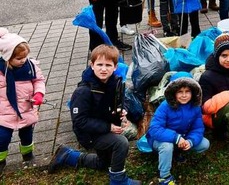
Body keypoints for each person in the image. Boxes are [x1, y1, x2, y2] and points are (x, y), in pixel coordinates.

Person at [48, 45, 140, 185]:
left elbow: (120, 102)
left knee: (103, 164)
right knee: (121, 143)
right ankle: (118, 180)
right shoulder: (83, 92)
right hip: (88, 134)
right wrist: (109, 127)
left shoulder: (115, 83)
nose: (104, 69)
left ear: (115, 67)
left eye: (108, 65)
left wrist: (123, 111)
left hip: (102, 127)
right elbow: (79, 121)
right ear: (92, 65)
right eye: (100, 64)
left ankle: (68, 155)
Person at [146, 73, 209, 184]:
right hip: (160, 140)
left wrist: (191, 141)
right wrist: (176, 137)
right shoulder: (165, 106)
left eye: (187, 91)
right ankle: (164, 177)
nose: (184, 95)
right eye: (180, 92)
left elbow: (198, 129)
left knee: (204, 144)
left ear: (193, 92)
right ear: (173, 92)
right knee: (167, 146)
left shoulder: (195, 107)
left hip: (182, 138)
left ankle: (176, 153)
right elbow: (155, 129)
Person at [0, 29, 45, 172]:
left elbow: (39, 80)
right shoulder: (1, 72)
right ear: (7, 57)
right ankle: (1, 159)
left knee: (27, 135)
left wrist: (39, 94)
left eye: (25, 56)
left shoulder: (30, 67)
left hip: (26, 108)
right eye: (19, 58)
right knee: (2, 137)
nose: (23, 60)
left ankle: (27, 155)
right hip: (4, 111)